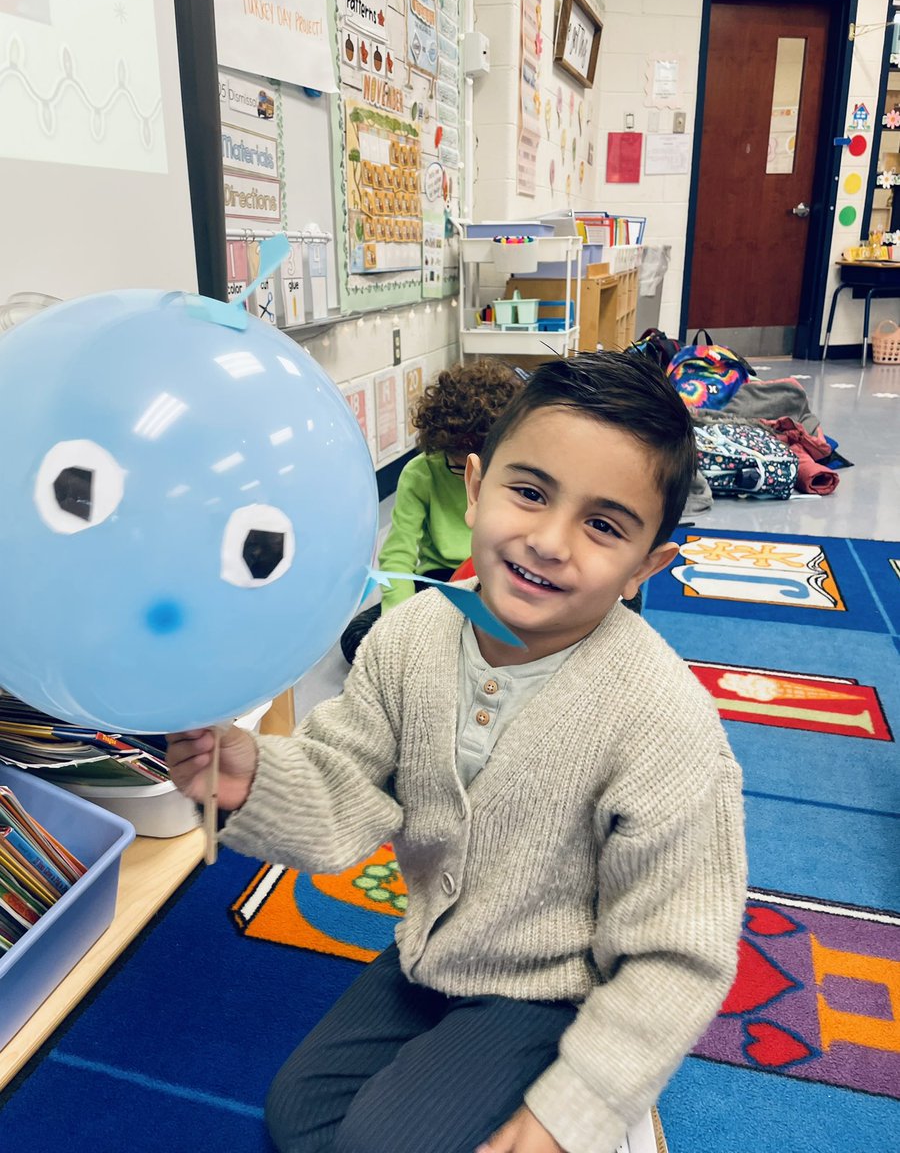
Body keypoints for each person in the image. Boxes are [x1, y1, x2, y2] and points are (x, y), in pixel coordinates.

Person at [166, 353, 747, 1153]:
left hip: (558, 993)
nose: (548, 541)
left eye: (604, 525)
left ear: (646, 566)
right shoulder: (408, 638)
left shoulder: (664, 721)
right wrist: (254, 778)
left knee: (378, 1144)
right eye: (531, 493)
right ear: (474, 486)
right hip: (435, 953)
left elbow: (678, 956)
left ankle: (614, 1128)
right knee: (298, 1114)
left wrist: (572, 1108)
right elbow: (344, 790)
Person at [340, 359, 523, 663]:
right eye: (457, 466)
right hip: (440, 580)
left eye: (483, 468)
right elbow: (397, 556)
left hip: (498, 576)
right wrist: (395, 625)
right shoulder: (420, 473)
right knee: (357, 637)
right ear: (440, 445)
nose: (470, 479)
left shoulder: (515, 475)